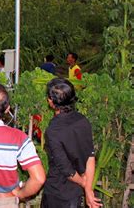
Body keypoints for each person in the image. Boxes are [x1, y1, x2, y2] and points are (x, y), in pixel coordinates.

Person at [41, 78, 102, 208]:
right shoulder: (82, 121)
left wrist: (84, 184)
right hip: (75, 193)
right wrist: (88, 189)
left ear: (51, 102)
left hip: (57, 193)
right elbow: (90, 157)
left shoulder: (53, 130)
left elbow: (66, 170)